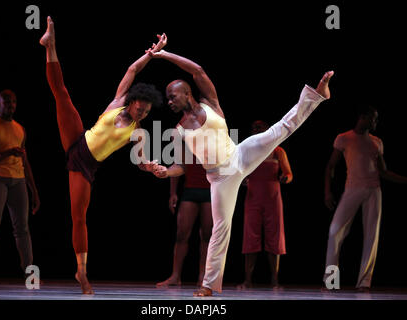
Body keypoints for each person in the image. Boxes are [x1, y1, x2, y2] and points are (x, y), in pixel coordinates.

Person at [147, 38, 334, 296]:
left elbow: (197, 70)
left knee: (279, 130)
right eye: (167, 98)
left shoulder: (209, 103)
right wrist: (165, 172)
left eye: (172, 95)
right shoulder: (178, 131)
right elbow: (181, 165)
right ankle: (208, 286)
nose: (168, 101)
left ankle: (316, 95)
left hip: (238, 155)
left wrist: (163, 54)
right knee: (220, 228)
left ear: (186, 92)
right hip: (220, 177)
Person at [39, 17, 164, 294]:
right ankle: (50, 45)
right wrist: (151, 55)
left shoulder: (138, 132)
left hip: (85, 165)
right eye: (139, 109)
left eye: (145, 112)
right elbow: (132, 70)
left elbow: (141, 162)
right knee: (62, 95)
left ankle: (81, 272)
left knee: (79, 216)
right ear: (131, 102)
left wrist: (151, 166)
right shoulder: (118, 102)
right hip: (78, 139)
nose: (141, 114)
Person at [323, 105, 407, 292]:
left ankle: (364, 283)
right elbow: (330, 166)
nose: (376, 122)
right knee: (334, 232)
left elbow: (383, 172)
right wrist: (327, 192)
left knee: (371, 236)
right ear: (363, 117)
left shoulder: (377, 142)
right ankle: (331, 282)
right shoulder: (344, 138)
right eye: (374, 118)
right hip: (352, 188)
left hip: (373, 191)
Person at [0, 89, 40, 284]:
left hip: (18, 179)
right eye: (6, 102)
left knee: (22, 227)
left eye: (13, 102)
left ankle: (30, 274)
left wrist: (34, 191)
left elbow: (25, 161)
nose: (10, 105)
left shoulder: (20, 129)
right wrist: (7, 153)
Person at [237, 120, 293, 290]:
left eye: (260, 127)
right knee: (250, 237)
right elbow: (238, 173)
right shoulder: (247, 151)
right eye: (254, 127)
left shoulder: (278, 151)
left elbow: (289, 173)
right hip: (253, 198)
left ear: (268, 130)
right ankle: (247, 280)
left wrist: (286, 178)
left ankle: (275, 281)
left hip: (273, 199)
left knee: (275, 238)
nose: (256, 129)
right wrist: (242, 180)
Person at [156, 158, 212, 288]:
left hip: (210, 190)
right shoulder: (186, 142)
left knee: (207, 235)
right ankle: (175, 276)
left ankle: (203, 276)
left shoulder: (214, 141)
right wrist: (173, 193)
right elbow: (178, 164)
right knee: (181, 234)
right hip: (190, 189)